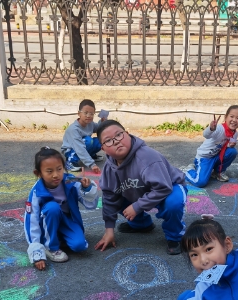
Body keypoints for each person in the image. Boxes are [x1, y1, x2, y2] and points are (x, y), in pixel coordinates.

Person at [94, 120, 187, 255]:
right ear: (103, 149)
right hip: (140, 191)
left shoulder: (147, 156)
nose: (116, 142)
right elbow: (109, 198)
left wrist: (137, 206)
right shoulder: (109, 168)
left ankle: (175, 237)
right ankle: (142, 224)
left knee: (173, 203)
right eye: (108, 141)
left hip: (169, 188)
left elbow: (163, 188)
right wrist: (109, 230)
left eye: (119, 135)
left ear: (127, 134)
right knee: (117, 198)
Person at [24, 147, 99, 270]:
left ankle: (59, 238)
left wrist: (87, 188)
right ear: (38, 173)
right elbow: (31, 221)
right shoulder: (37, 192)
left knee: (80, 246)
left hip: (67, 221)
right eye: (49, 171)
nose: (55, 175)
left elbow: (90, 205)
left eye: (59, 169)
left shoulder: (70, 181)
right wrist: (37, 251)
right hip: (47, 223)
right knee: (52, 208)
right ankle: (50, 247)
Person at [184, 105, 238, 187]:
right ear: (226, 117)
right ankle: (188, 170)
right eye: (231, 116)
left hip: (216, 156)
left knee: (232, 152)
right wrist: (211, 128)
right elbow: (206, 135)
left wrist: (229, 145)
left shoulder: (235, 134)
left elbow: (223, 145)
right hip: (204, 158)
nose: (234, 120)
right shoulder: (219, 128)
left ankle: (218, 172)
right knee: (200, 182)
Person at [61, 99, 108, 173]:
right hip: (70, 150)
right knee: (88, 140)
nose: (88, 116)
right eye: (85, 113)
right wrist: (91, 164)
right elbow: (79, 147)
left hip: (82, 145)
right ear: (79, 113)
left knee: (101, 139)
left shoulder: (90, 123)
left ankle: (90, 156)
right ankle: (70, 161)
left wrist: (102, 122)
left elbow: (99, 129)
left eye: (91, 114)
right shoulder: (74, 129)